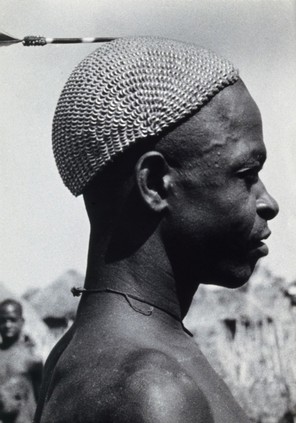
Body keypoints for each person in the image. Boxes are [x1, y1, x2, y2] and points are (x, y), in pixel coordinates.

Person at [35, 37, 279, 422]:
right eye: (246, 174)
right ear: (154, 183)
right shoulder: (152, 392)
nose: (269, 203)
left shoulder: (89, 351)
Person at [0, 299, 43, 423]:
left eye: (12, 320)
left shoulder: (32, 357)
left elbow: (42, 397)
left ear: (21, 321)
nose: (8, 325)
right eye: (3, 320)